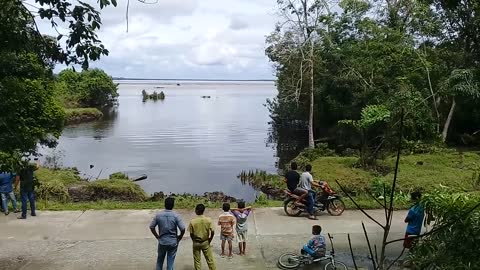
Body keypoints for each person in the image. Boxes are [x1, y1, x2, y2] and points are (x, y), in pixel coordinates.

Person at [149, 197, 186, 270]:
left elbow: (151, 226)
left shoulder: (158, 215)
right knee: (170, 261)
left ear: (164, 205)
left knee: (160, 260)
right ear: (173, 205)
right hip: (173, 242)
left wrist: (157, 236)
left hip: (162, 241)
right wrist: (180, 237)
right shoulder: (176, 216)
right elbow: (183, 228)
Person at [188, 204, 216, 270]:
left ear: (196, 211)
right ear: (203, 210)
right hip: (205, 241)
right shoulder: (209, 220)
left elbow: (191, 233)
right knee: (210, 260)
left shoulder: (193, 221)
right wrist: (210, 239)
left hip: (196, 242)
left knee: (197, 261)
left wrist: (193, 241)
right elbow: (212, 231)